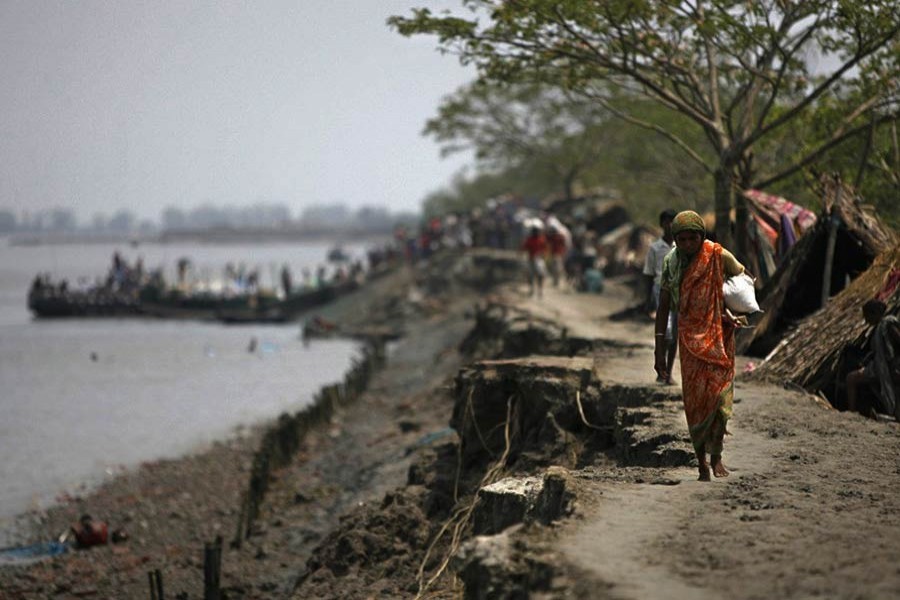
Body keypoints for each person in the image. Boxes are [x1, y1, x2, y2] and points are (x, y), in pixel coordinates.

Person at [654, 210, 746, 482]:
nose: (687, 245)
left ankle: (717, 455)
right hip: (689, 340)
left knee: (719, 398)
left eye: (692, 238)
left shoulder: (717, 255)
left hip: (719, 335)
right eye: (681, 240)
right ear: (675, 240)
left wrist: (734, 308)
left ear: (701, 236)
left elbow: (742, 278)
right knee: (695, 403)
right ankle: (701, 462)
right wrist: (659, 349)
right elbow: (663, 307)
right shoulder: (671, 264)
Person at [846, 299, 900, 418]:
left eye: (867, 316)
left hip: (887, 368)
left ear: (875, 313)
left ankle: (851, 412)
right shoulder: (880, 327)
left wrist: (893, 365)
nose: (866, 321)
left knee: (851, 378)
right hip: (881, 367)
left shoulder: (887, 324)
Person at [644, 209, 678, 383]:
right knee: (666, 333)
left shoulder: (680, 247)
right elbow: (649, 274)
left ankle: (669, 372)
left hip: (678, 292)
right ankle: (661, 369)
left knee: (675, 335)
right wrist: (648, 299)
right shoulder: (655, 248)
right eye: (666, 221)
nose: (670, 225)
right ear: (662, 224)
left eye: (673, 221)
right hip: (660, 290)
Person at [521, 226, 547, 298]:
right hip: (531, 260)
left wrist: (542, 254)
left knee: (540, 275)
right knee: (531, 276)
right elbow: (524, 248)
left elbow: (545, 249)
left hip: (539, 259)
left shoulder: (541, 239)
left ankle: (540, 290)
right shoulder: (529, 239)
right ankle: (532, 289)